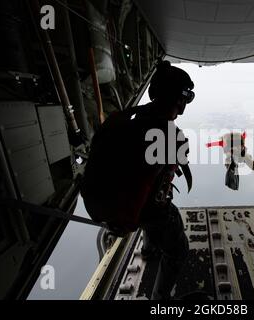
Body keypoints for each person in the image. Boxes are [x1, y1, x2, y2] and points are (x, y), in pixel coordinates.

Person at [81, 60, 195, 300]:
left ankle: (149, 248)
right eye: (186, 96)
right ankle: (161, 299)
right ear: (179, 100)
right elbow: (146, 187)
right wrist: (127, 222)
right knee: (178, 249)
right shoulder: (169, 136)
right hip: (135, 208)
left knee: (151, 213)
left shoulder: (122, 118)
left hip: (105, 200)